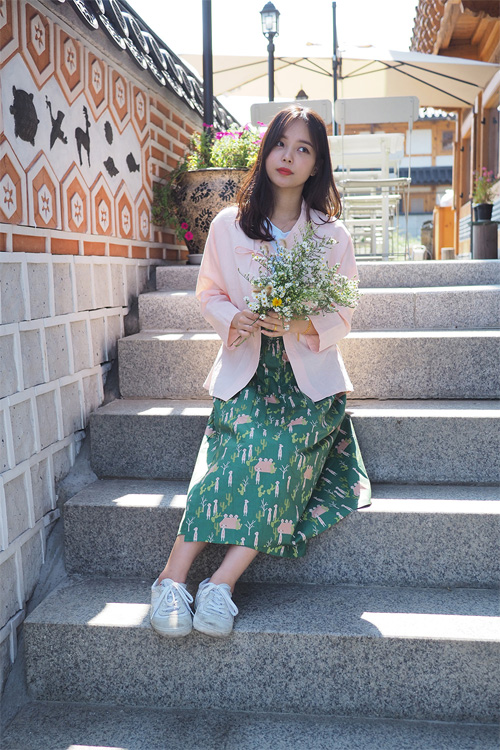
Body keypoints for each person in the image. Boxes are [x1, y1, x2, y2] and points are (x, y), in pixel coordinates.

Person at [150, 105, 371, 639]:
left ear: (317, 163)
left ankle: (220, 585)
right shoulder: (228, 225)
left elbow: (343, 312)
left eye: (303, 149)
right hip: (247, 372)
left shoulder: (332, 235)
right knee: (234, 451)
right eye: (280, 144)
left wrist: (297, 323)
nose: (288, 156)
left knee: (281, 452)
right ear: (266, 150)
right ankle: (170, 579)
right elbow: (208, 292)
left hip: (308, 383)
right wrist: (235, 318)